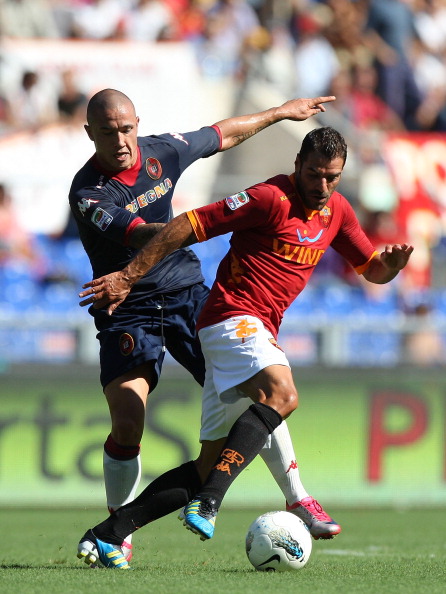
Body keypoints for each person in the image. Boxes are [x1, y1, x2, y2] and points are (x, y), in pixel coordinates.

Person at [75, 126, 413, 568]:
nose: (322, 185)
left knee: (206, 465)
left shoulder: (339, 212)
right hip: (231, 318)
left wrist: (389, 268)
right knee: (282, 394)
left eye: (332, 176)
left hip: (246, 330)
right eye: (314, 174)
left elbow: (372, 269)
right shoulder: (269, 198)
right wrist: (128, 275)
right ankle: (217, 500)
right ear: (297, 165)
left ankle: (109, 533)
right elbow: (190, 224)